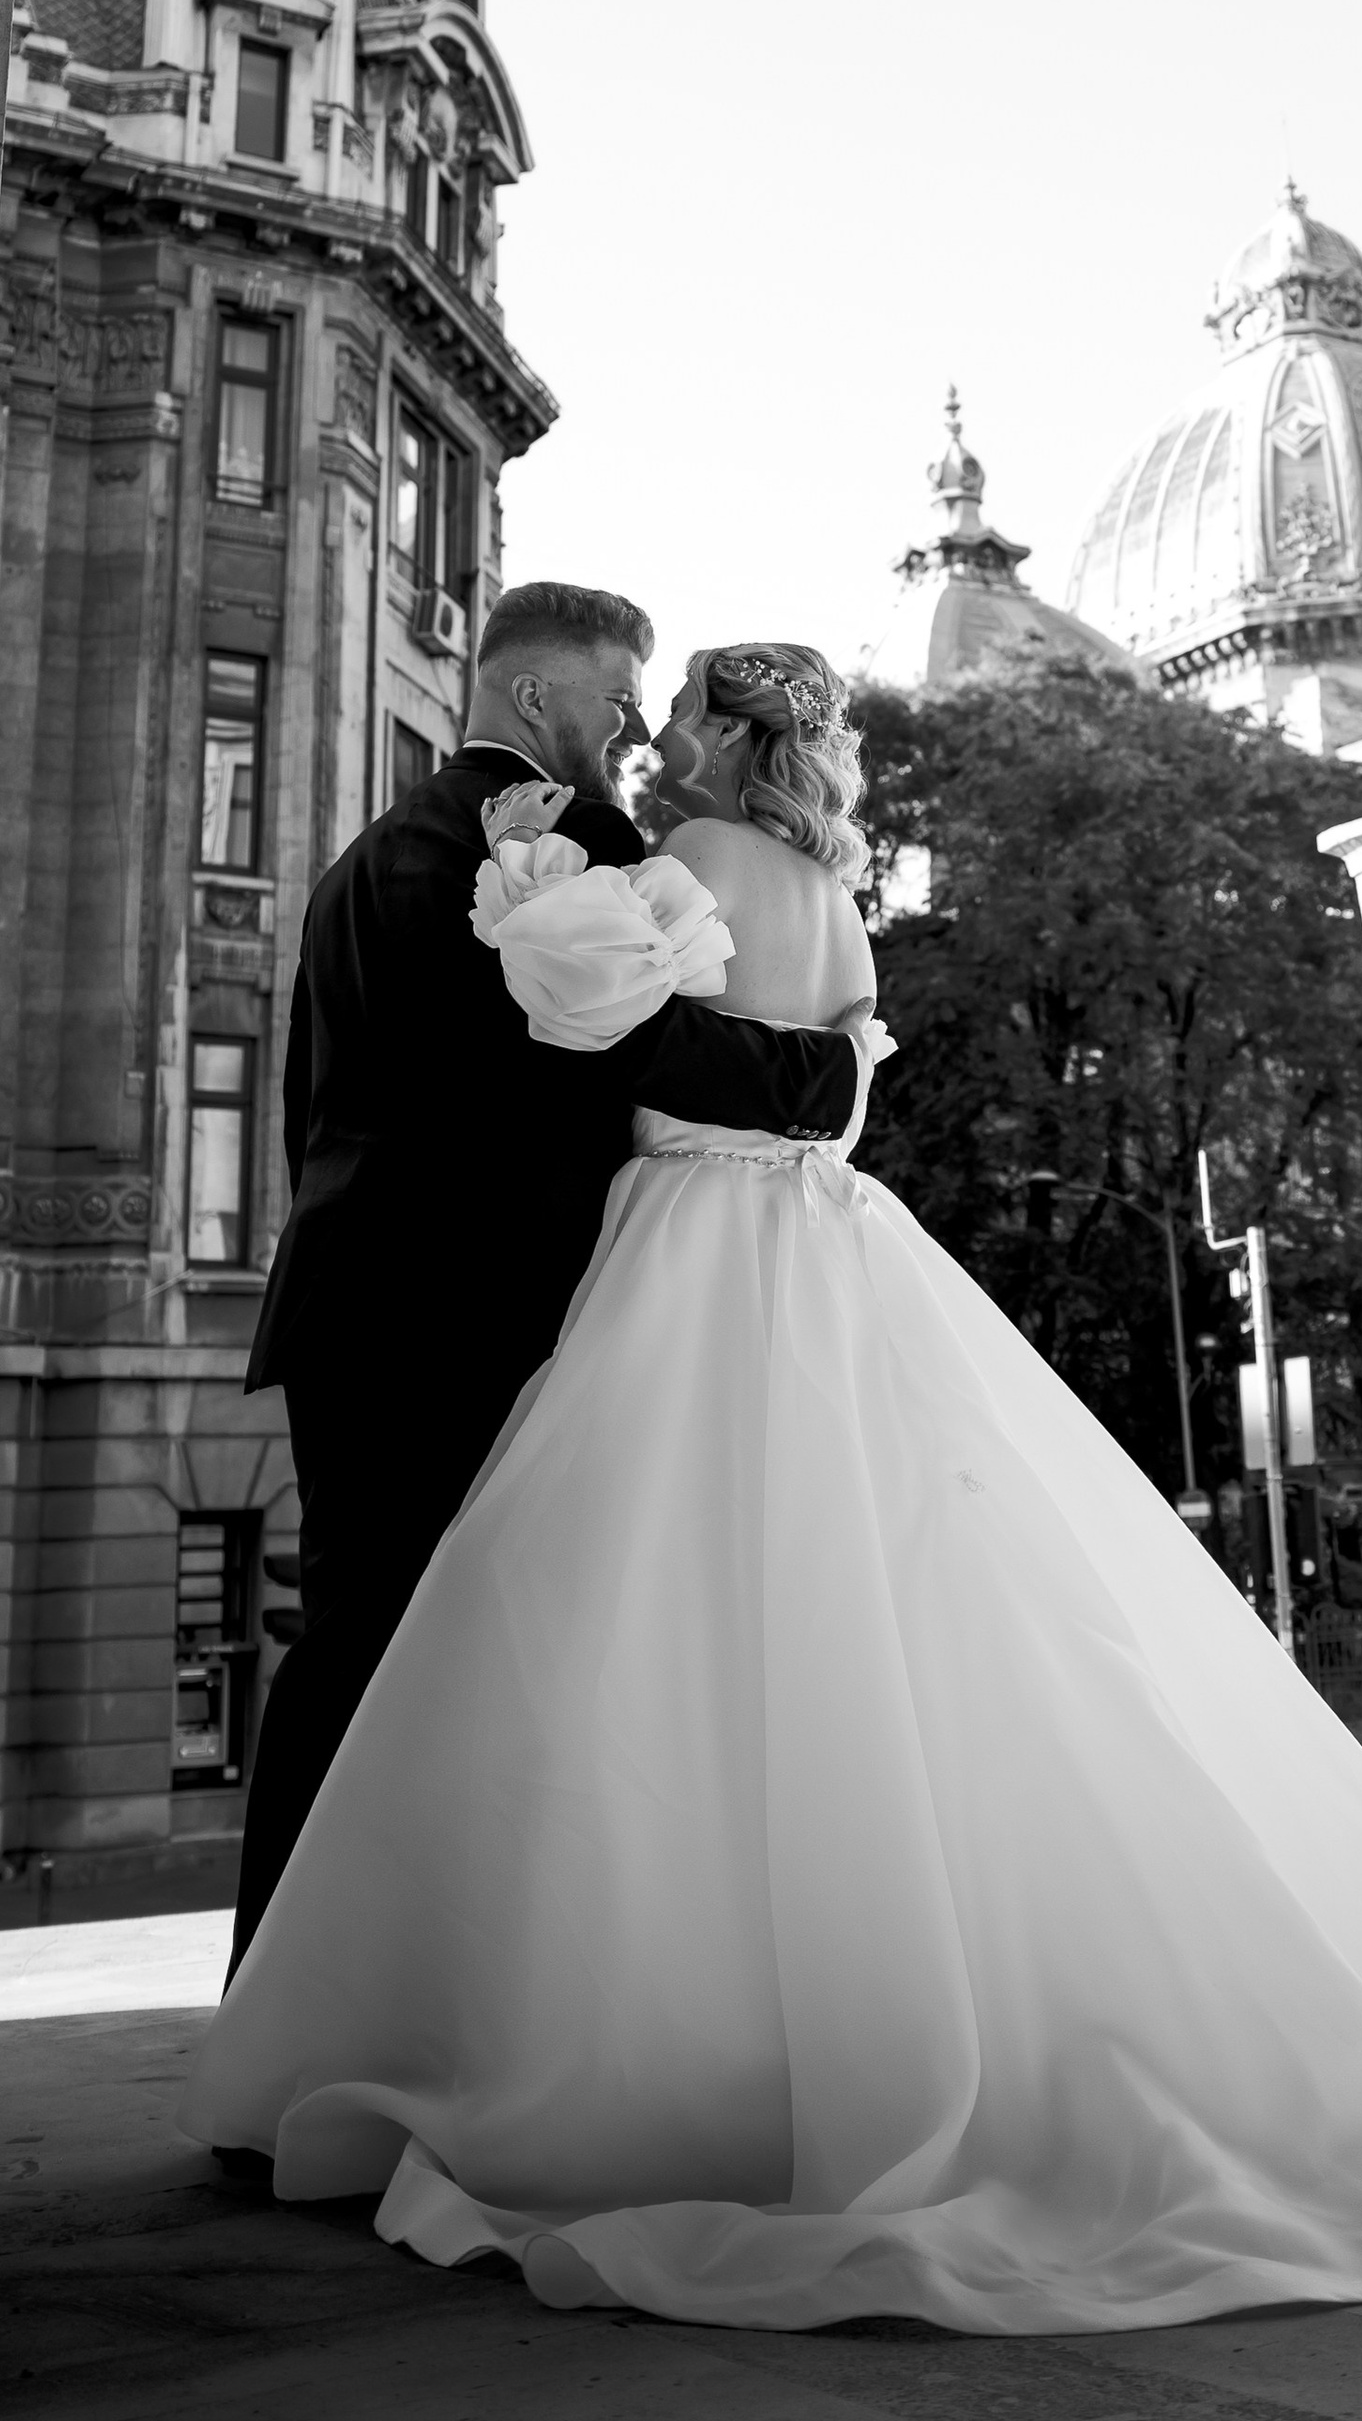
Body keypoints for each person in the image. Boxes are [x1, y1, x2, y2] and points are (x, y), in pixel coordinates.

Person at [191, 641, 1362, 2332]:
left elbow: (621, 1054)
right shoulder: (822, 880)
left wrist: (577, 946)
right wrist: (779, 1064)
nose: (642, 747)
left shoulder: (672, 872)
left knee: (620, 1632)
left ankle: (566, 2010)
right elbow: (837, 1079)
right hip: (817, 1241)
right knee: (887, 1608)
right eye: (624, 709)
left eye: (673, 722)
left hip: (683, 1257)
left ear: (726, 741)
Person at [227, 584, 862, 1968]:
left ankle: (288, 2005)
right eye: (615, 692)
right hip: (471, 1316)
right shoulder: (559, 840)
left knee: (349, 1648)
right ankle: (387, 2004)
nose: (633, 724)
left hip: (347, 1309)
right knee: (447, 1664)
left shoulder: (361, 859)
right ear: (534, 697)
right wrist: (832, 1072)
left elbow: (312, 1114)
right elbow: (629, 1044)